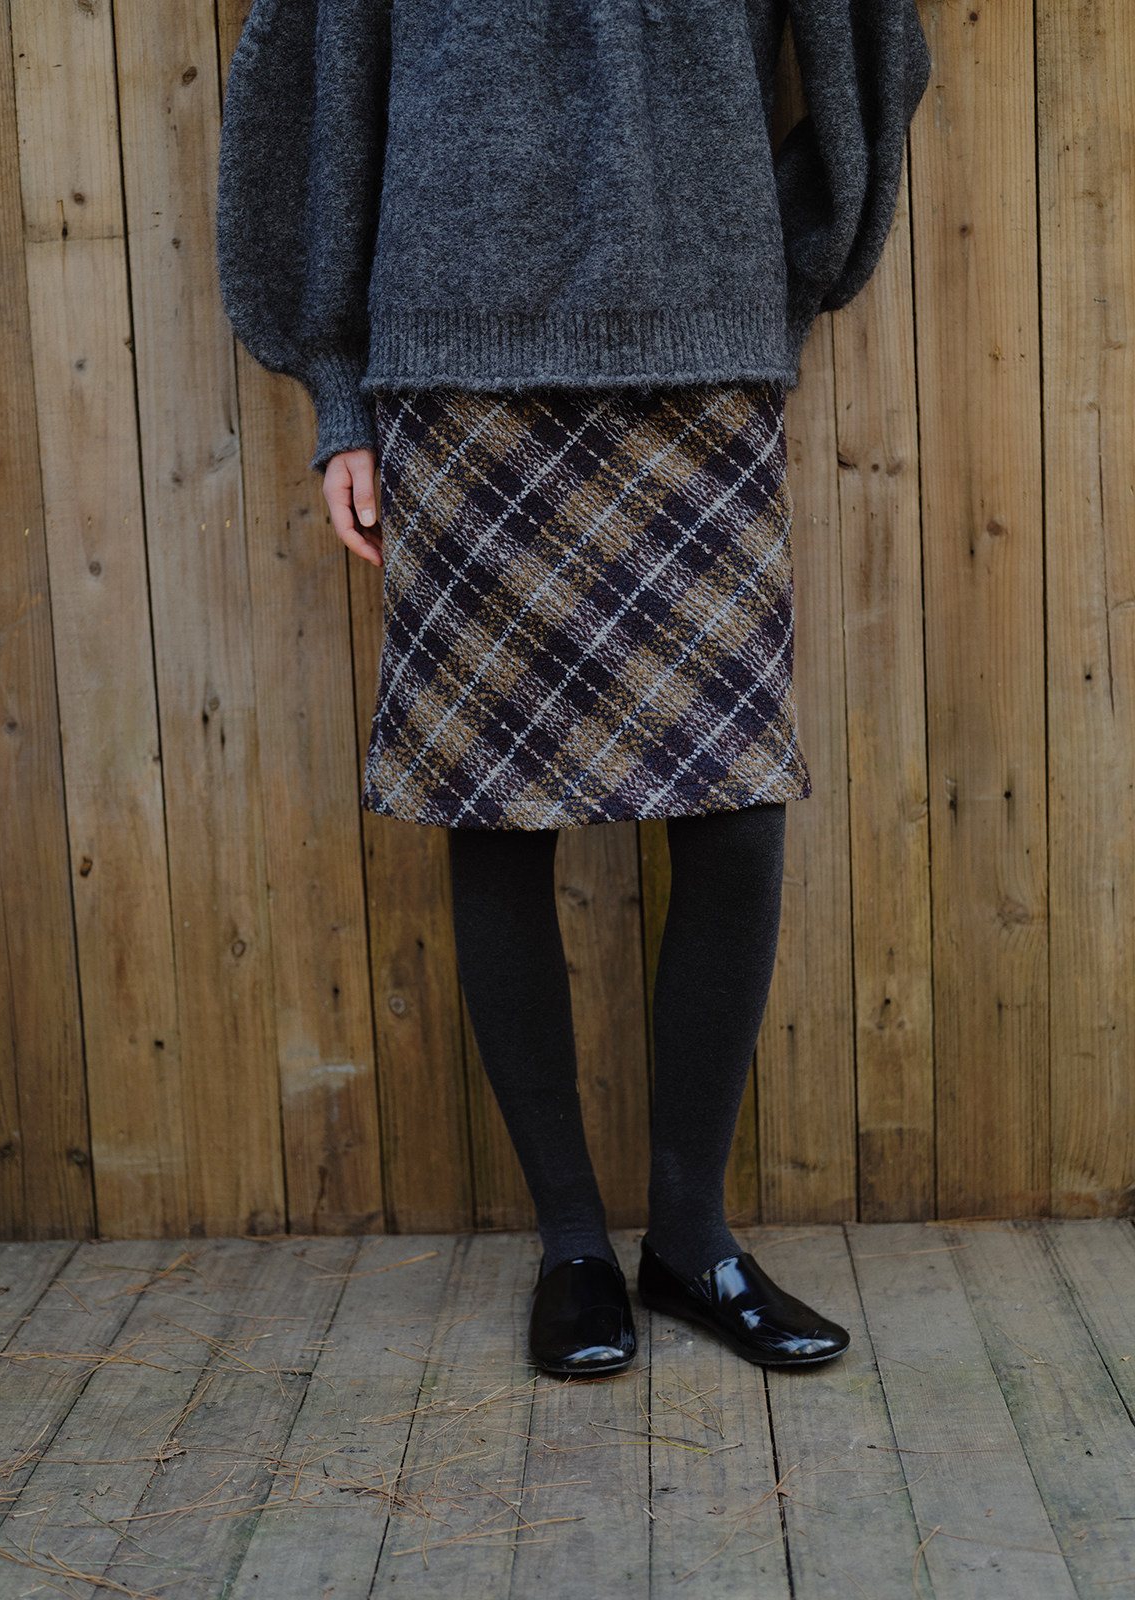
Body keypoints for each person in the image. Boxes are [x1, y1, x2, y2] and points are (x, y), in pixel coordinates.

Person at [216, 0, 931, 1378]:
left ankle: (691, 1240)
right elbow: (313, 75)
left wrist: (775, 260)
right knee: (494, 807)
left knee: (735, 801)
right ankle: (572, 1249)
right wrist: (338, 393)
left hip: (700, 361)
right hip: (456, 373)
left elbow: (873, 44)